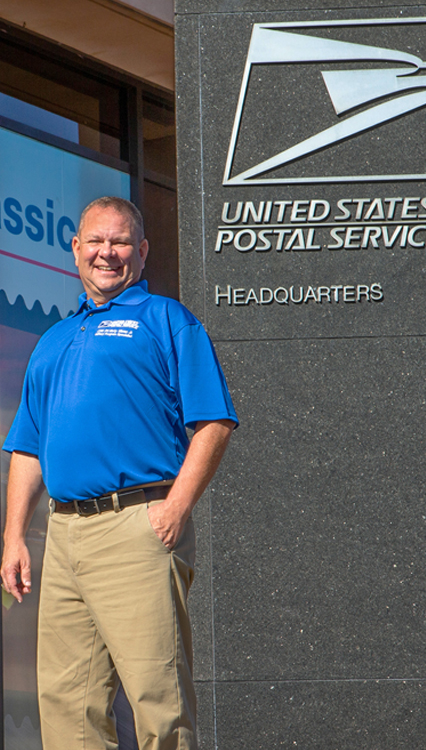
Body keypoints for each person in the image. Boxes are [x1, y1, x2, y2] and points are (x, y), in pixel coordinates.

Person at [0, 196, 238, 750]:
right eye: (97, 242)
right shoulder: (53, 341)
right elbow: (29, 449)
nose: (108, 253)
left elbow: (214, 423)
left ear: (143, 251)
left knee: (160, 705)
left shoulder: (166, 320)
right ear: (76, 250)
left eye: (121, 242)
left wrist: (176, 506)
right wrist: (14, 535)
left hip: (136, 525)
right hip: (63, 536)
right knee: (66, 706)